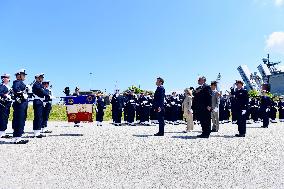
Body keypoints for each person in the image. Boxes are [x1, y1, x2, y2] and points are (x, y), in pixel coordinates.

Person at [11, 69, 29, 144]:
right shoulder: (17, 82)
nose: (24, 76)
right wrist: (22, 94)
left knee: (19, 119)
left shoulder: (21, 83)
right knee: (20, 120)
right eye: (23, 75)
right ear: (19, 76)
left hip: (21, 104)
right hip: (20, 104)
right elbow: (15, 89)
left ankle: (16, 137)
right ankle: (18, 138)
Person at [32, 73, 50, 138]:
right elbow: (43, 92)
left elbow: (45, 91)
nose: (42, 78)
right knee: (38, 116)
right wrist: (47, 94)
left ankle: (38, 131)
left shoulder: (40, 85)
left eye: (42, 77)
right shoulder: (36, 84)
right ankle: (36, 132)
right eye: (40, 77)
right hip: (37, 101)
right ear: (37, 78)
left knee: (40, 116)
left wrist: (47, 94)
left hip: (40, 101)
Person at [0, 74, 12, 138]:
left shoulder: (8, 87)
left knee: (5, 118)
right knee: (2, 118)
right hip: (3, 104)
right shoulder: (2, 86)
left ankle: (3, 132)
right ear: (3, 79)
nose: (8, 79)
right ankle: (1, 133)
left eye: (8, 77)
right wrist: (5, 95)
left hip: (7, 104)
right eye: (6, 77)